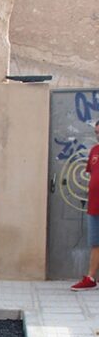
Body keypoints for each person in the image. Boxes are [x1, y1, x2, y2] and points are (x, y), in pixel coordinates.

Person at [71, 121, 99, 290]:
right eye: (96, 132)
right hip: (94, 205)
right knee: (96, 243)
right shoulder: (94, 151)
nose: (98, 135)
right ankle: (90, 278)